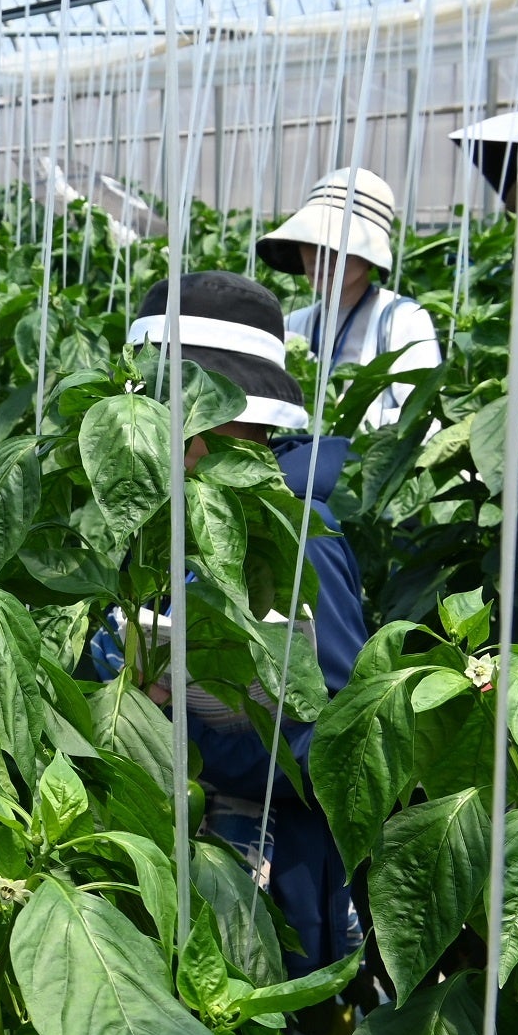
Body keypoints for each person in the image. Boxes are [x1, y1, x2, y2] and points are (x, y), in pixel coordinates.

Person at [129, 271, 372, 975]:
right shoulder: (142, 518)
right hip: (159, 852)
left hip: (262, 882)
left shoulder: (292, 535)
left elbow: (338, 749)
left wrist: (173, 726)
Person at [258, 167, 443, 432]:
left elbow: (424, 419)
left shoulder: (402, 320)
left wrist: (355, 418)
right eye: (310, 241)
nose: (319, 256)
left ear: (369, 256)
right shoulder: (292, 325)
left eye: (336, 244)